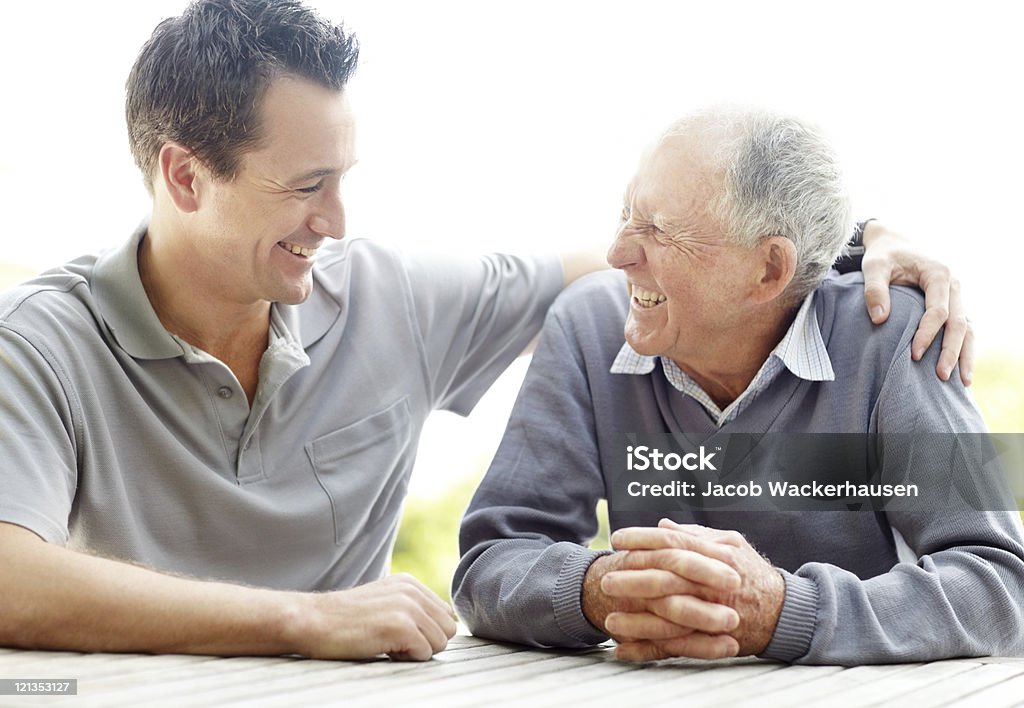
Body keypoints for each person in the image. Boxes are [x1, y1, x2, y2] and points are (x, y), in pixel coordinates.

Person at [0, 0, 971, 662]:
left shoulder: (397, 297)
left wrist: (852, 240)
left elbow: (651, 263)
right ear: (182, 176)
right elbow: (7, 579)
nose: (338, 222)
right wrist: (302, 618)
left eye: (343, 180)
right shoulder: (41, 342)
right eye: (305, 187)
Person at [453, 106, 1024, 665]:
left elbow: (1000, 588)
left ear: (771, 270)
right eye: (626, 214)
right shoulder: (589, 327)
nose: (617, 253)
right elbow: (490, 562)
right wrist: (604, 586)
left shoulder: (895, 336)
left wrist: (786, 611)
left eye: (659, 230)